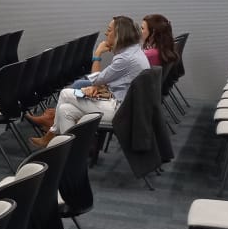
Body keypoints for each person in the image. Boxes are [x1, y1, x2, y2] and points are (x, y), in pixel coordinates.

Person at [29, 16, 150, 148]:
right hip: (124, 106)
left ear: (119, 35)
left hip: (119, 111)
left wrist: (97, 54)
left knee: (65, 93)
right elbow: (107, 81)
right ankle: (72, 151)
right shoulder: (133, 51)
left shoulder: (125, 58)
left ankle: (51, 135)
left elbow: (96, 80)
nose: (106, 33)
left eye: (109, 30)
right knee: (64, 110)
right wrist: (95, 87)